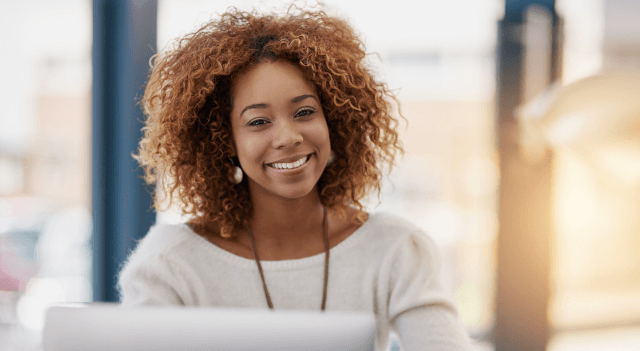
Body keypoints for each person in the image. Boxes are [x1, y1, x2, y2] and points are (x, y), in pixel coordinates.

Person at [118, 5, 472, 350]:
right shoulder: (170, 263)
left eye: (304, 112)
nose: (288, 137)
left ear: (333, 119)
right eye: (258, 121)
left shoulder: (395, 249)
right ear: (224, 139)